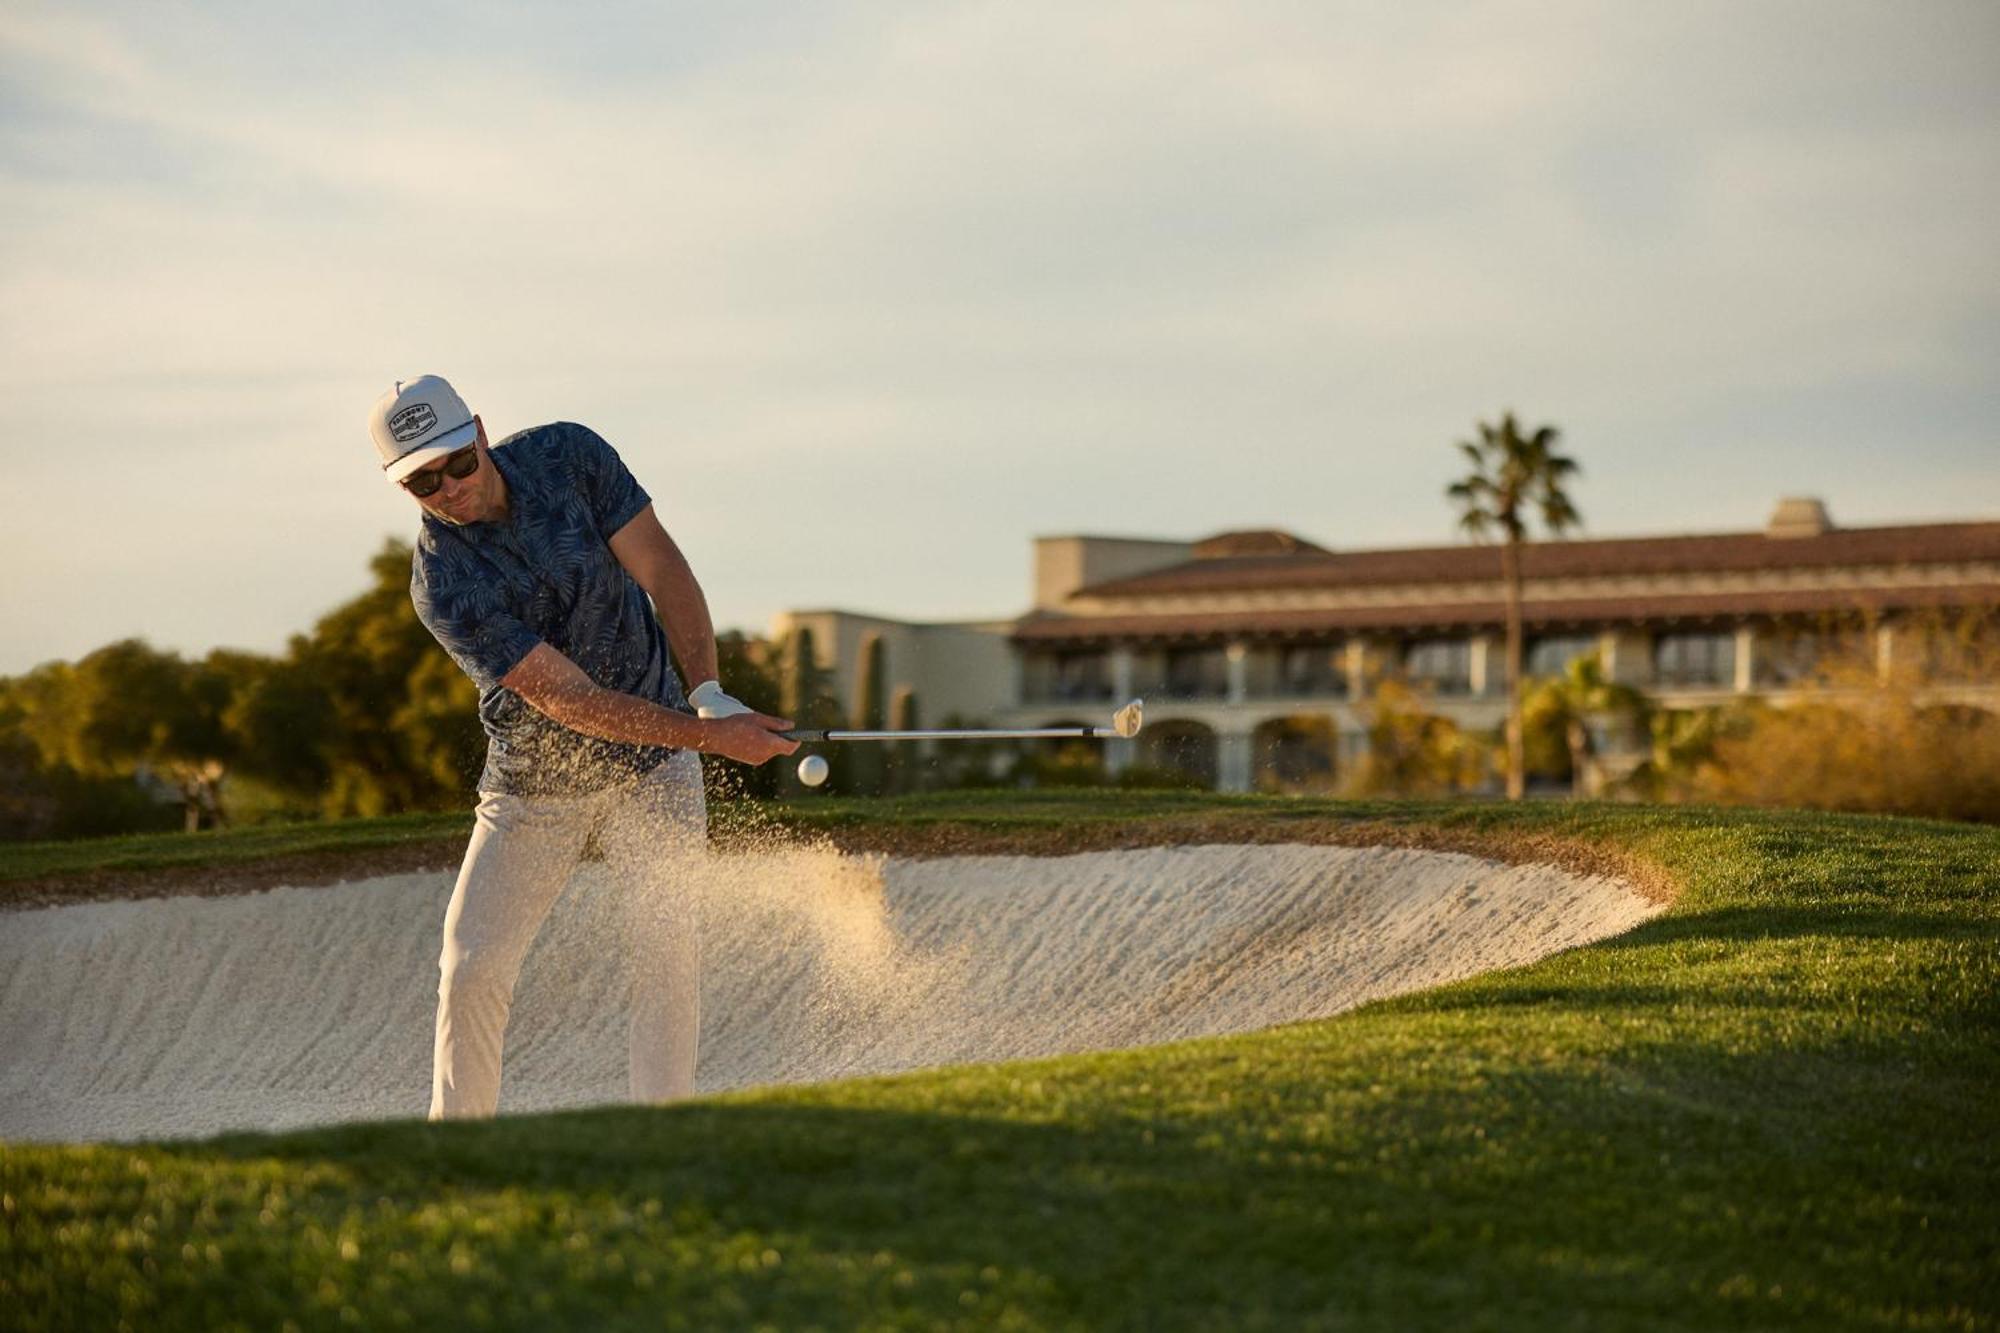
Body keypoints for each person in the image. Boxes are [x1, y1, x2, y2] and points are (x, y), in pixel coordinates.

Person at [367, 373, 798, 1119]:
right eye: (422, 482)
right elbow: (569, 702)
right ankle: (458, 1148)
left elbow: (663, 568)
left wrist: (707, 691)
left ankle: (661, 1137)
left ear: (478, 430)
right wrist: (708, 736)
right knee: (471, 966)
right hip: (534, 789)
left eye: (457, 463)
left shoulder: (569, 455)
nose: (449, 489)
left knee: (667, 952)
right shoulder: (443, 578)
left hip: (657, 764)